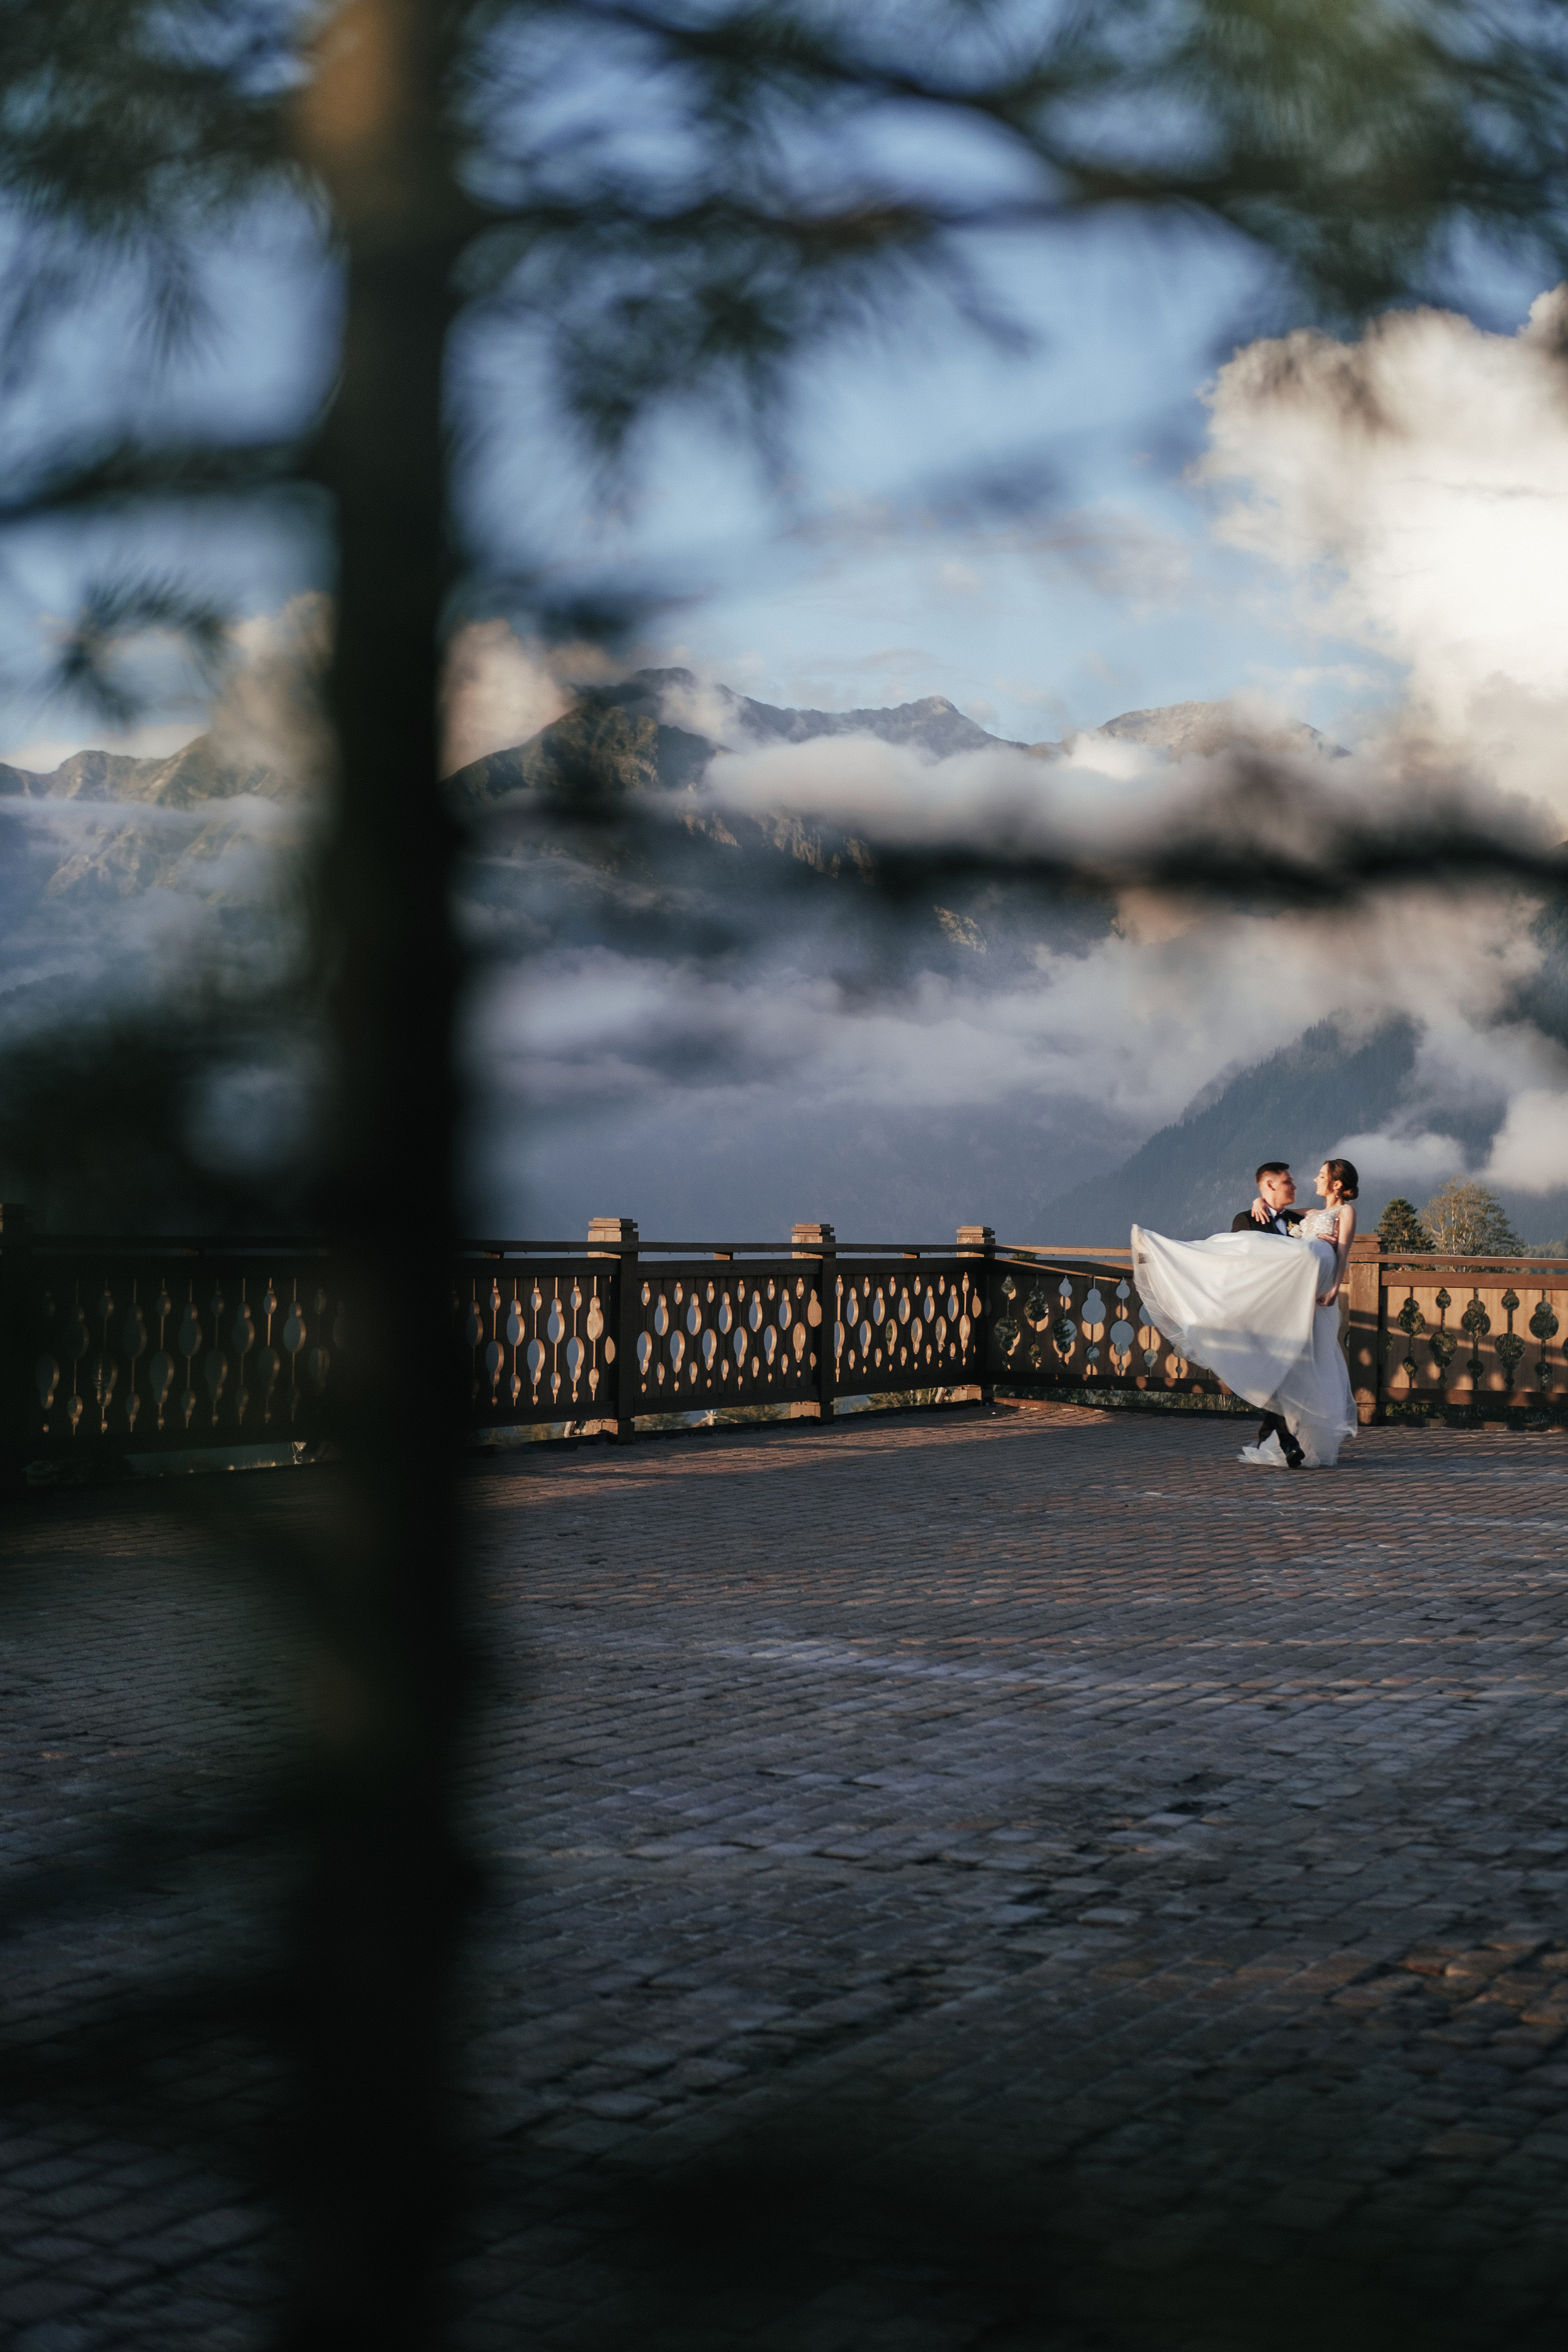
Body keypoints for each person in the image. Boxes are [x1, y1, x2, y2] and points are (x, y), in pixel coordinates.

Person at [1130, 1156, 1360, 1469]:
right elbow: (1247, 1250)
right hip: (1277, 1301)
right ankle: (1164, 1250)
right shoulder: (1304, 1214)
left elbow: (1344, 1251)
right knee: (1281, 1369)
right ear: (1271, 1185)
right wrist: (1258, 1200)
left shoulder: (1344, 1212)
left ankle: (1281, 1436)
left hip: (1311, 1277)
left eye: (1322, 1176)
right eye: (1289, 1181)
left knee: (1292, 1365)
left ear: (1337, 1183)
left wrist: (1334, 1287)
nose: (1311, 1181)